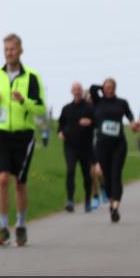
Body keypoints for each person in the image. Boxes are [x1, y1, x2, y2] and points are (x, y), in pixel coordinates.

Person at [0, 33, 46, 246]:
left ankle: (20, 225)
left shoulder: (31, 77)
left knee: (19, 183)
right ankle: (3, 227)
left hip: (23, 134)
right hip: (0, 133)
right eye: (6, 49)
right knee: (2, 179)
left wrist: (24, 101)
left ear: (20, 50)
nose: (9, 53)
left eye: (13, 49)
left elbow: (41, 108)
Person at [89, 79, 140, 223]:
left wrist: (133, 123)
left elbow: (130, 115)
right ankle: (111, 201)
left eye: (111, 87)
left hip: (119, 145)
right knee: (104, 175)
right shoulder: (98, 101)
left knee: (116, 174)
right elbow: (92, 88)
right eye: (106, 87)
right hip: (102, 145)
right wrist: (102, 87)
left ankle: (116, 206)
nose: (109, 90)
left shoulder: (122, 103)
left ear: (115, 88)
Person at [57, 82, 96, 213]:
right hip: (70, 146)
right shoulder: (66, 108)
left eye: (79, 89)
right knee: (70, 171)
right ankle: (70, 201)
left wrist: (90, 122)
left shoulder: (90, 108)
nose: (77, 91)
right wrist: (60, 132)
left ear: (82, 91)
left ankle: (87, 201)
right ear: (71, 91)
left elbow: (97, 122)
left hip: (86, 147)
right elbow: (61, 124)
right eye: (75, 89)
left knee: (87, 175)